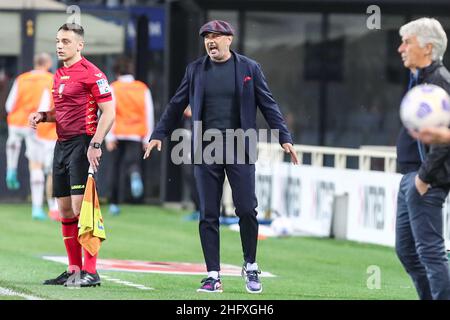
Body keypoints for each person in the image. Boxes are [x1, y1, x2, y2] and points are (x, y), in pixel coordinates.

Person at [144, 20, 298, 294]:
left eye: (216, 36)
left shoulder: (249, 68)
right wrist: (159, 133)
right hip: (205, 148)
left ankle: (250, 265)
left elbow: (268, 103)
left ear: (229, 39)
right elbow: (177, 103)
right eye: (206, 37)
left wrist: (284, 137)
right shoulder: (195, 70)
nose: (210, 41)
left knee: (247, 209)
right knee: (209, 213)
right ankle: (213, 275)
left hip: (240, 145)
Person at [29, 23, 115, 287]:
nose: (59, 45)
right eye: (57, 40)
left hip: (83, 144)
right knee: (65, 210)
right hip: (62, 145)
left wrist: (96, 144)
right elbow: (62, 112)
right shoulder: (59, 74)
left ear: (80, 45)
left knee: (82, 208)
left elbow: (109, 112)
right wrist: (43, 116)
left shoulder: (92, 73)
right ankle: (74, 269)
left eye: (66, 41)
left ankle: (92, 271)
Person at [395, 17, 450, 300]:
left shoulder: (439, 82)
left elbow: (445, 136)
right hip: (410, 176)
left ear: (428, 48)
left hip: (425, 179)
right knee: (406, 251)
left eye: (407, 42)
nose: (400, 48)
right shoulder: (420, 78)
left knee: (430, 252)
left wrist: (424, 177)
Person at [5, 52, 53, 220]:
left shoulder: (22, 78)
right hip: (33, 125)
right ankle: (37, 208)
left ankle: (11, 169)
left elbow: (9, 105)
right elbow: (46, 105)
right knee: (37, 166)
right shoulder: (50, 79)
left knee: (13, 143)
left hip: (15, 121)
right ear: (47, 64)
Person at [105, 57, 154, 215]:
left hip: (118, 131)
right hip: (136, 132)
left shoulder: (114, 87)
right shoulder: (142, 88)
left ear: (117, 73)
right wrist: (148, 138)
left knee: (115, 167)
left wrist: (108, 136)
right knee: (133, 162)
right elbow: (149, 113)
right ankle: (134, 174)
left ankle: (113, 203)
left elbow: (108, 111)